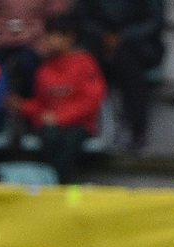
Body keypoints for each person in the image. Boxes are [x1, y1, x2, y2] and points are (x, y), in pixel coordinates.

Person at [15, 15, 104, 181]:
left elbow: (90, 101)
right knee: (49, 136)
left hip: (78, 125)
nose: (48, 40)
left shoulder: (85, 63)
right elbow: (40, 103)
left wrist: (60, 118)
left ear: (69, 37)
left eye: (53, 35)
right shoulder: (45, 68)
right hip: (50, 126)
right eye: (47, 35)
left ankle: (59, 186)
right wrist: (22, 106)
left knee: (67, 139)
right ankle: (50, 184)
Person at [80, 0, 166, 152]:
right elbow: (84, 17)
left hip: (139, 46)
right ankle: (85, 126)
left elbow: (154, 21)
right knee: (84, 64)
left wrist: (122, 38)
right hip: (98, 43)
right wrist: (106, 37)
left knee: (126, 60)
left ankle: (135, 127)